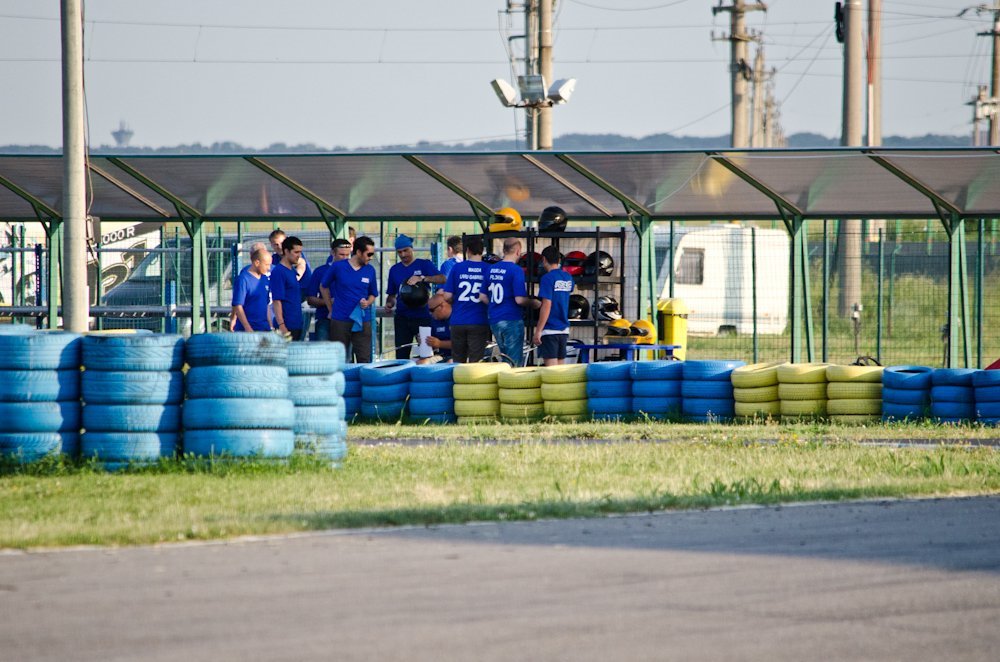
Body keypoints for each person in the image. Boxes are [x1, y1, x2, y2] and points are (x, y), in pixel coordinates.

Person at [384, 234, 445, 359]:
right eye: (399, 252)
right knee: (401, 355)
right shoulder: (394, 270)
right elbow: (391, 294)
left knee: (426, 353)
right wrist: (389, 303)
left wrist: (423, 278)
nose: (403, 255)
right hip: (402, 318)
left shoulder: (424, 264)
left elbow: (442, 278)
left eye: (405, 250)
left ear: (412, 249)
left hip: (422, 317)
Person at [481, 237, 540, 366]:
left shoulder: (491, 269)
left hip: (495, 320)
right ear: (518, 251)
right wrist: (534, 303)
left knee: (505, 358)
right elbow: (519, 300)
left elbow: (482, 296)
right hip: (511, 319)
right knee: (513, 362)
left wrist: (495, 305)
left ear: (504, 250)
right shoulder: (516, 270)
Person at [320, 236, 378, 363]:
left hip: (363, 320)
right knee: (339, 359)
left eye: (372, 254)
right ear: (358, 252)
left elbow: (373, 293)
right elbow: (323, 286)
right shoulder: (338, 266)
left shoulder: (370, 270)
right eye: (369, 254)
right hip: (340, 319)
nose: (371, 257)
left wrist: (368, 302)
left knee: (364, 358)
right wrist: (331, 309)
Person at [440, 235, 490, 363]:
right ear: (482, 251)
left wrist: (456, 301)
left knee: (458, 362)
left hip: (458, 320)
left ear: (467, 250)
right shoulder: (488, 269)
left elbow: (447, 296)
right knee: (475, 362)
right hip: (479, 320)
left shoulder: (457, 267)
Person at [533, 245, 574, 366]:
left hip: (550, 329)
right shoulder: (568, 277)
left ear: (544, 259)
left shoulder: (547, 278)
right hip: (564, 329)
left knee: (551, 370)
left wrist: (538, 331)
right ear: (559, 260)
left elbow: (546, 305)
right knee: (560, 369)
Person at [306, 238, 352, 341]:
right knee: (324, 349)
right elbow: (310, 299)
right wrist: (328, 301)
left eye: (347, 255)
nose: (345, 258)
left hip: (347, 319)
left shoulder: (354, 271)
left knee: (344, 350)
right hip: (324, 318)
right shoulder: (320, 272)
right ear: (333, 253)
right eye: (341, 255)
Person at [270, 235, 307, 341]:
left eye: (300, 252)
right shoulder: (279, 272)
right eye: (296, 252)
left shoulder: (292, 271)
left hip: (296, 323)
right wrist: (281, 325)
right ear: (286, 251)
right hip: (286, 325)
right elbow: (277, 301)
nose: (299, 256)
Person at [231, 247, 272, 332]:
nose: (269, 268)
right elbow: (238, 306)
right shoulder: (243, 279)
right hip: (247, 330)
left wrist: (270, 325)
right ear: (257, 263)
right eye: (266, 265)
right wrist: (247, 327)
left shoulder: (265, 279)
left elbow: (266, 304)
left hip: (264, 328)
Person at [425, 293, 452, 362]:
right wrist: (425, 341)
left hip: (460, 355)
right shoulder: (434, 321)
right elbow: (432, 344)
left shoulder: (458, 319)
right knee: (421, 362)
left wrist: (440, 344)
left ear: (442, 306)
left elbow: (462, 344)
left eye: (432, 310)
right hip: (440, 355)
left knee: (450, 362)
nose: (430, 313)